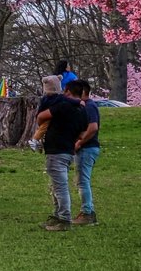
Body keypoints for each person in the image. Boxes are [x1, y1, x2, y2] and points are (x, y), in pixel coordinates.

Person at [37, 76, 90, 231]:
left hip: (56, 150)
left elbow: (41, 117)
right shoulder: (82, 110)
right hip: (68, 150)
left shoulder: (62, 106)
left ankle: (64, 219)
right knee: (56, 185)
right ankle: (57, 215)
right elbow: (82, 133)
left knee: (59, 187)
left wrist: (43, 127)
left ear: (67, 91)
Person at [70, 79, 102, 226]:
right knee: (82, 180)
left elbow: (93, 127)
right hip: (86, 148)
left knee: (83, 181)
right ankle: (88, 212)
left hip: (87, 148)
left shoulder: (89, 107)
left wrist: (80, 142)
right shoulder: (84, 107)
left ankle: (87, 213)